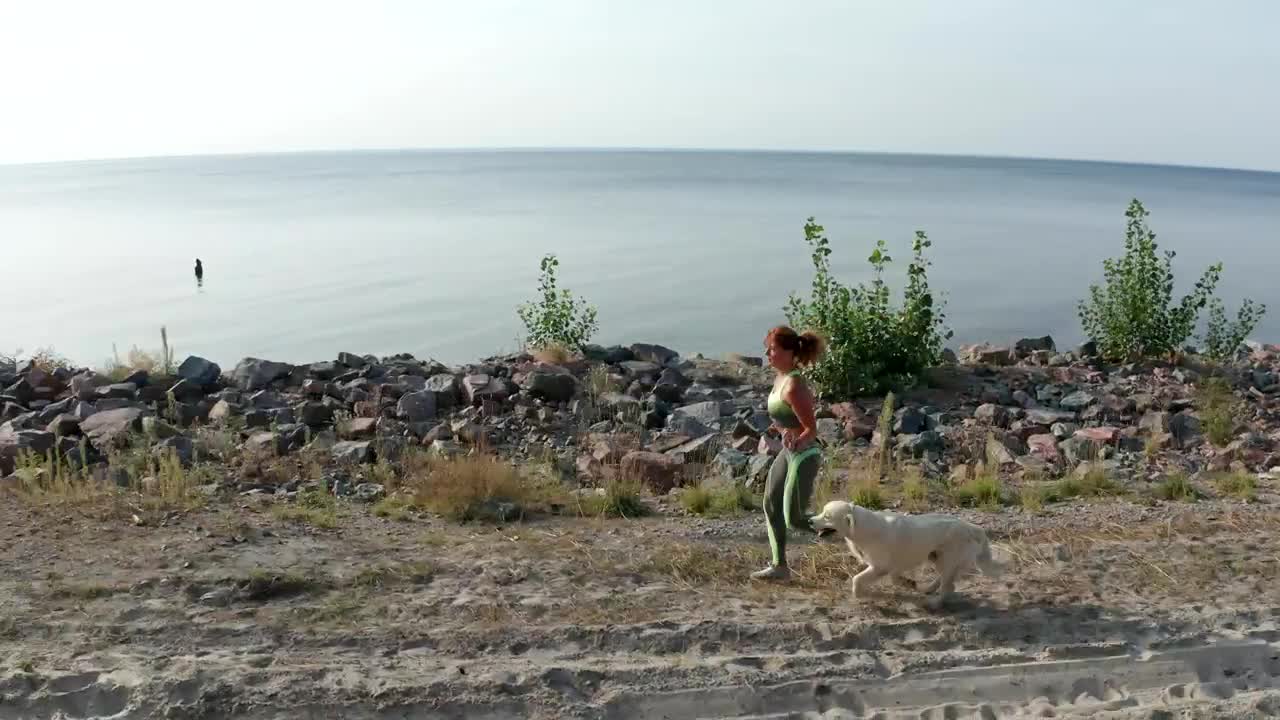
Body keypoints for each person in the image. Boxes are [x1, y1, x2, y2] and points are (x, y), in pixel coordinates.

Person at [751, 325, 826, 581]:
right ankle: (779, 567)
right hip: (789, 451)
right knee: (770, 504)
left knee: (794, 519)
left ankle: (848, 530)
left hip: (805, 455)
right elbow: (786, 418)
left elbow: (811, 429)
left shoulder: (794, 384)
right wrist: (779, 430)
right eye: (768, 349)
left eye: (773, 350)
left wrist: (798, 440)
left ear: (790, 353)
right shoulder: (780, 378)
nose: (768, 355)